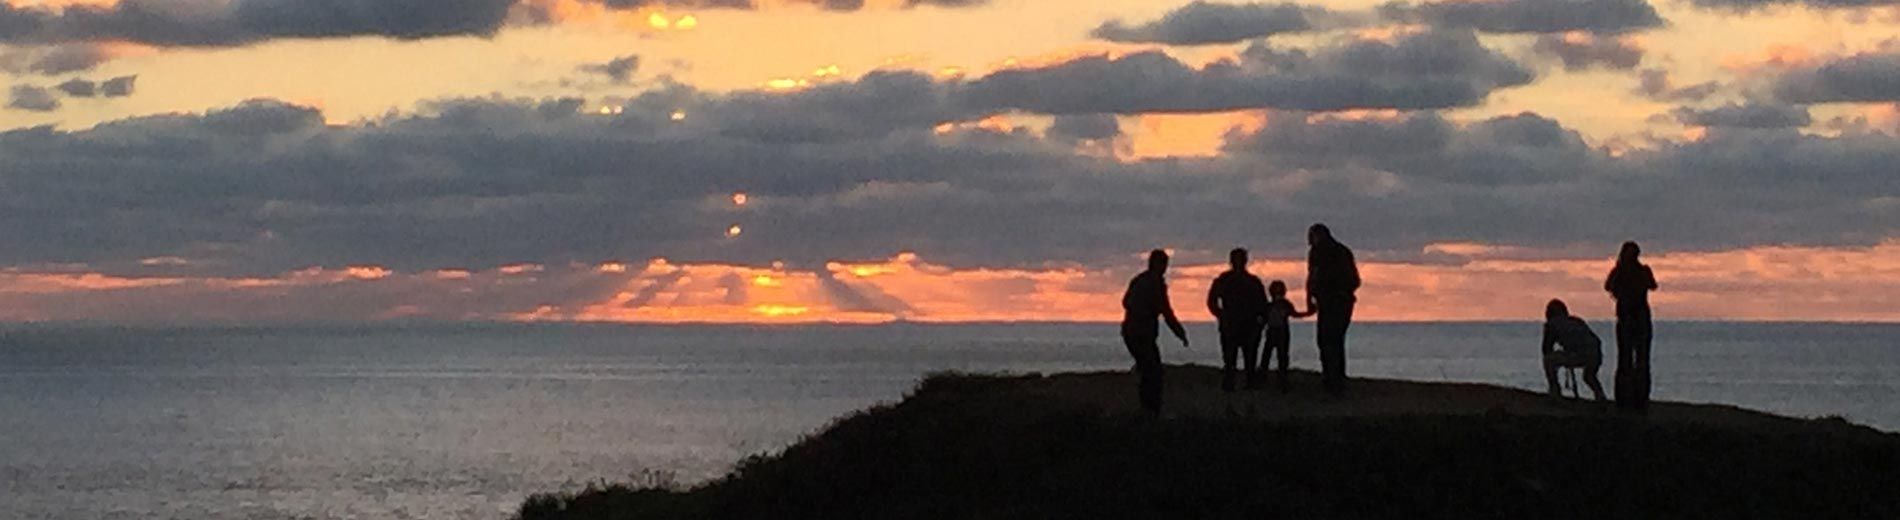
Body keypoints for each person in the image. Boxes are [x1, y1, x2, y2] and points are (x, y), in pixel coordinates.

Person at [1121, 249, 1190, 413]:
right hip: (1140, 333)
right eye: (1163, 265)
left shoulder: (1140, 280)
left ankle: (1148, 408)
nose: (1165, 268)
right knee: (1153, 372)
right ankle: (1150, 409)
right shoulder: (1154, 284)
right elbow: (1166, 312)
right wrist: (1179, 332)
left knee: (1149, 370)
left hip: (1133, 332)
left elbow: (1126, 302)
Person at [1306, 223, 1360, 396]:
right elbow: (1355, 280)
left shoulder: (1318, 252)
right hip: (1342, 301)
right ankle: (1337, 379)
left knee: (1326, 339)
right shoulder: (1343, 251)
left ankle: (1331, 379)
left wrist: (1311, 297)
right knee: (1336, 340)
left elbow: (1313, 276)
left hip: (1331, 301)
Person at [1605, 241, 1658, 410]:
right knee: (1631, 360)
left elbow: (1652, 285)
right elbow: (1652, 285)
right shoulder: (1629, 272)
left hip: (1634, 319)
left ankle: (1633, 398)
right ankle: (1631, 399)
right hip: (1632, 319)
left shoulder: (1628, 271)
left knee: (1633, 360)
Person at [1207, 248, 1269, 392]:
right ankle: (1232, 383)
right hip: (1233, 323)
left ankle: (1244, 383)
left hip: (1246, 324)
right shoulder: (1226, 280)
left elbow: (1262, 305)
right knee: (1231, 358)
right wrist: (1221, 315)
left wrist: (1260, 323)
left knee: (1247, 358)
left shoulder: (1251, 282)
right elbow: (1212, 301)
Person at [1541, 299, 1607, 401]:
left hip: (1579, 353)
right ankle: (1600, 395)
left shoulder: (1552, 324)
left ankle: (1555, 390)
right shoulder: (1576, 321)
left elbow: (1546, 348)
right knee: (1589, 376)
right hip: (1595, 353)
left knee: (1549, 360)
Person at [1262, 280, 1314, 393]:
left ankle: (1281, 380)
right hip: (1274, 331)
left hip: (1281, 332)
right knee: (1268, 355)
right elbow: (1264, 318)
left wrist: (1308, 313)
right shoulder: (1270, 305)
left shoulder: (1283, 304)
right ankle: (1266, 377)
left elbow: (1294, 314)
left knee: (1281, 356)